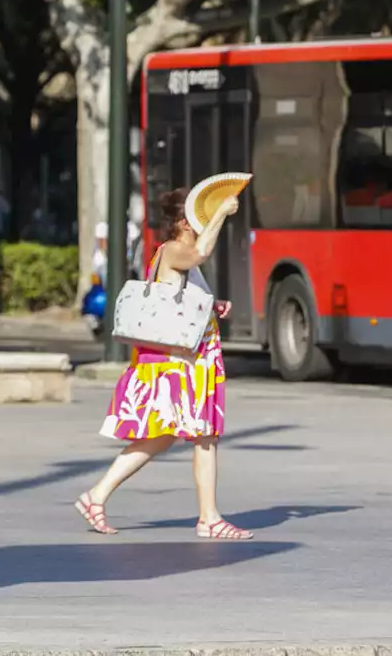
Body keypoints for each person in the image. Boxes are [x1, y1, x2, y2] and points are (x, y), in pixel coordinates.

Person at [74, 186, 251, 540]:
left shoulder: (170, 253)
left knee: (171, 437)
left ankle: (97, 496)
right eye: (199, 219)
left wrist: (212, 307)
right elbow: (200, 253)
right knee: (200, 436)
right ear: (185, 223)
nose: (204, 225)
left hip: (187, 359)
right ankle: (209, 518)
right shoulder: (173, 250)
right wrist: (221, 213)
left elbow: (177, 300)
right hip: (179, 364)